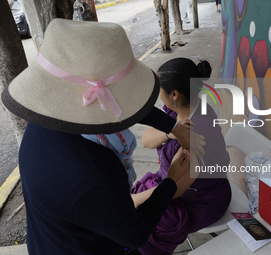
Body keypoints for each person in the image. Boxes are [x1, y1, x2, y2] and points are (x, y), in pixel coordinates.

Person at [1, 19, 205, 255]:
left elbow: (128, 104)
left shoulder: (46, 122)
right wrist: (171, 181)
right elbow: (136, 233)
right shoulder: (94, 174)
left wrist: (175, 128)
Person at [131, 58, 232, 254]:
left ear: (174, 94)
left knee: (145, 223)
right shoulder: (175, 110)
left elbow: (175, 188)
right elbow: (146, 140)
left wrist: (135, 200)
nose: (158, 95)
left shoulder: (199, 130)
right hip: (169, 184)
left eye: (159, 89)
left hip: (201, 198)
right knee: (133, 215)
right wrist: (172, 131)